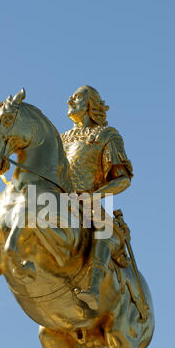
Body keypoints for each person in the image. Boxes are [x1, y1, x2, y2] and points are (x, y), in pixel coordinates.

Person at [61, 85, 133, 310]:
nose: (70, 100)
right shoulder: (60, 139)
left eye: (77, 97)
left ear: (91, 104)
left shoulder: (106, 136)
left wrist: (93, 196)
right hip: (58, 203)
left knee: (104, 233)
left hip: (89, 206)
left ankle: (93, 288)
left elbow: (122, 179)